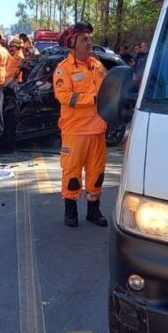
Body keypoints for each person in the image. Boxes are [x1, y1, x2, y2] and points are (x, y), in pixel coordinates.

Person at [52, 21, 108, 227]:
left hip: (98, 130)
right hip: (75, 131)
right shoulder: (63, 69)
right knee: (72, 173)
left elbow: (109, 90)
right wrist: (94, 98)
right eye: (84, 39)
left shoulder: (97, 66)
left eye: (90, 38)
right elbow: (65, 97)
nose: (89, 42)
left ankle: (94, 211)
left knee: (97, 174)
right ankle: (70, 212)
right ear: (72, 43)